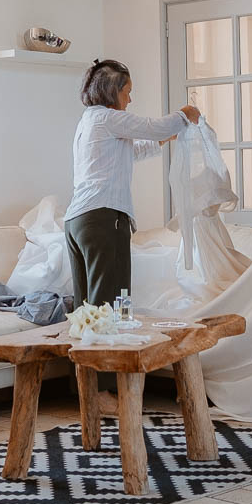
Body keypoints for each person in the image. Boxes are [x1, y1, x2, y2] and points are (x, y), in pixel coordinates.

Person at [65, 57, 198, 317]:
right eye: (127, 93)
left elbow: (126, 153)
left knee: (86, 311)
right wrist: (185, 114)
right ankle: (109, 355)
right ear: (112, 92)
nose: (130, 100)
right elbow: (152, 127)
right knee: (113, 306)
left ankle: (83, 357)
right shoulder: (109, 117)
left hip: (77, 222)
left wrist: (162, 141)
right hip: (103, 220)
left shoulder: (88, 121)